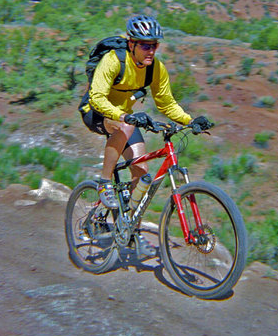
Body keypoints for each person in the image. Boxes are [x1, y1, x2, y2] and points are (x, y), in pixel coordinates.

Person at [79, 14, 211, 256]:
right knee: (127, 126)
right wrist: (122, 116)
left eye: (154, 45)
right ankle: (104, 183)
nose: (151, 50)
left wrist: (190, 121)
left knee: (143, 177)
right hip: (96, 112)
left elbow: (167, 103)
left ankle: (129, 231)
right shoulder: (113, 60)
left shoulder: (155, 69)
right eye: (145, 45)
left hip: (125, 120)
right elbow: (96, 97)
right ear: (131, 44)